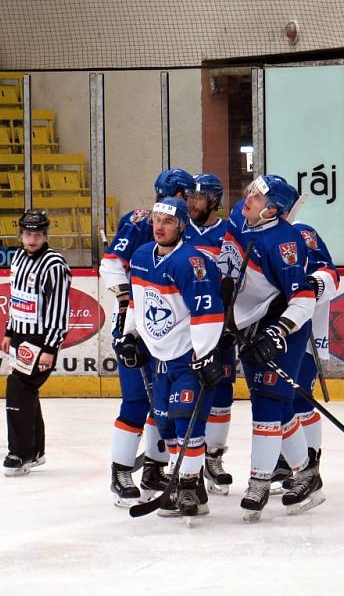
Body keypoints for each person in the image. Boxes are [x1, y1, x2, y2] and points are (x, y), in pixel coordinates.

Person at [217, 174, 321, 522]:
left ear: (273, 210)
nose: (247, 199)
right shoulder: (240, 218)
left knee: (268, 401)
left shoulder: (285, 243)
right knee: (276, 402)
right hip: (248, 325)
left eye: (257, 198)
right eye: (249, 192)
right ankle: (306, 472)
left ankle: (259, 481)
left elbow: (304, 300)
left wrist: (278, 333)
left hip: (282, 327)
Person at [114, 197, 225, 518]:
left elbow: (209, 311)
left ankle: (188, 488)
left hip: (189, 358)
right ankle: (186, 485)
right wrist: (130, 335)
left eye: (168, 222)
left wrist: (204, 354)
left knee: (186, 419)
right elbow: (137, 301)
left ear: (181, 226)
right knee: (165, 425)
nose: (160, 227)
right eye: (157, 221)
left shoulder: (192, 263)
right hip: (158, 358)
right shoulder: (140, 257)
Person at [100, 168, 196, 506]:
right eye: (188, 194)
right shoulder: (140, 220)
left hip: (174, 332)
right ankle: (121, 470)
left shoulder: (188, 227)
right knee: (137, 401)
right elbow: (111, 265)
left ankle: (155, 467)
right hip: (138, 324)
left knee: (165, 403)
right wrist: (129, 304)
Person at [270, 218, 339, 505]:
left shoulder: (302, 230)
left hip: (301, 328)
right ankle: (285, 460)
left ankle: (310, 463)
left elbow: (327, 272)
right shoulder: (249, 232)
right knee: (275, 400)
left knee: (299, 400)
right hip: (268, 330)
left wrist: (308, 285)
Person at [0, 209, 72, 476]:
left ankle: (20, 453)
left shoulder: (54, 264)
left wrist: (50, 348)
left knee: (18, 388)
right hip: (20, 336)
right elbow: (15, 296)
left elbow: (59, 309)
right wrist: (9, 331)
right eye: (28, 234)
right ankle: (36, 451)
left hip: (41, 340)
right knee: (26, 391)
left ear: (45, 236)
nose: (32, 239)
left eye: (38, 235)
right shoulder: (18, 257)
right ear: (21, 235)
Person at [182, 172, 235, 495]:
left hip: (221, 327)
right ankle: (185, 460)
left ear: (214, 201)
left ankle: (213, 457)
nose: (191, 203)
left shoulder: (230, 233)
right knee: (186, 393)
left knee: (221, 393)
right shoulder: (180, 230)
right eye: (189, 197)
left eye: (198, 198)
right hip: (183, 331)